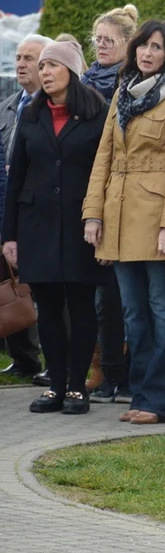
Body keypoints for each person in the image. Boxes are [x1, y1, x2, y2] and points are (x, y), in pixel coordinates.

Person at [82, 19, 165, 425]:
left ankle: (158, 400)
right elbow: (104, 157)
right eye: (142, 46)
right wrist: (92, 213)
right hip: (118, 218)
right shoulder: (122, 94)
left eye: (156, 47)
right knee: (133, 313)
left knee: (163, 311)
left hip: (157, 220)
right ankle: (140, 395)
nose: (147, 53)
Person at [2, 41, 108, 414]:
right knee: (47, 306)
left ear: (72, 71)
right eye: (41, 66)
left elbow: (105, 171)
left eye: (52, 65)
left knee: (80, 305)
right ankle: (55, 385)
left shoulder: (97, 112)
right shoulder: (31, 115)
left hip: (82, 226)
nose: (44, 72)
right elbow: (15, 178)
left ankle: (78, 387)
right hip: (37, 225)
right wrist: (9, 235)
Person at [81, 5, 139, 404]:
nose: (101, 46)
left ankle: (122, 372)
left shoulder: (130, 87)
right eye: (97, 39)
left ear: (127, 45)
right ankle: (103, 369)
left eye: (109, 40)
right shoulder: (83, 83)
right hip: (87, 200)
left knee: (122, 299)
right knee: (98, 300)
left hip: (123, 202)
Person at [0, 34, 52, 382]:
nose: (21, 63)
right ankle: (23, 358)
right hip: (6, 206)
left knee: (42, 288)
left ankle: (53, 359)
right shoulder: (6, 105)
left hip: (38, 210)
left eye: (30, 58)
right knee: (9, 285)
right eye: (18, 57)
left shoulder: (52, 107)